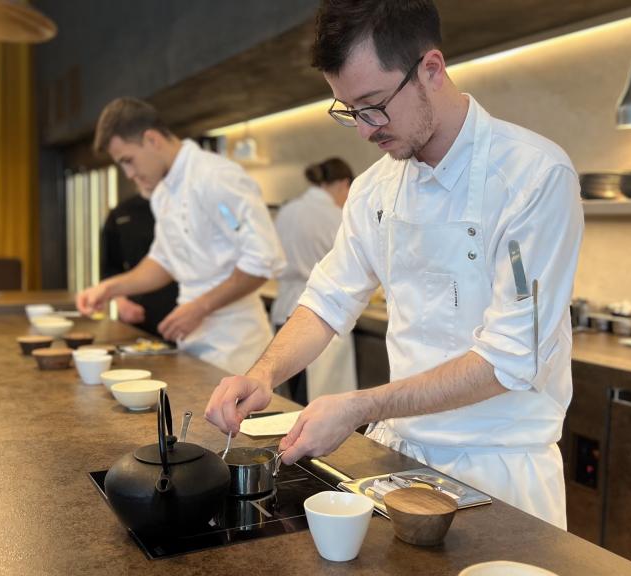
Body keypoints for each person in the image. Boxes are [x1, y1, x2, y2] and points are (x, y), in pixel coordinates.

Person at [206, 0, 583, 529]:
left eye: (372, 105)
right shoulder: (374, 189)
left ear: (431, 69)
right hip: (399, 464)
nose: (363, 130)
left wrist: (361, 406)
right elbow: (328, 299)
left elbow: (512, 359)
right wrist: (264, 372)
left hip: (500, 468)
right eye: (348, 110)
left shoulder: (533, 177)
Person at [77, 98, 286, 375]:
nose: (129, 174)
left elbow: (264, 261)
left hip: (237, 348)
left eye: (128, 161)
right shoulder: (162, 193)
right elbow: (164, 261)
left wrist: (199, 307)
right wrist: (111, 288)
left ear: (151, 139)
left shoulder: (216, 176)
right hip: (191, 343)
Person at [271, 158, 358, 404]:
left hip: (284, 311)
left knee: (290, 402)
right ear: (343, 183)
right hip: (320, 316)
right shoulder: (336, 216)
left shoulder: (287, 210)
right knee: (316, 405)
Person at [101, 181, 179, 337]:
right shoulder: (121, 213)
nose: (131, 173)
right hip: (140, 312)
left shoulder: (181, 208)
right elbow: (110, 266)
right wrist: (120, 301)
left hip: (184, 309)